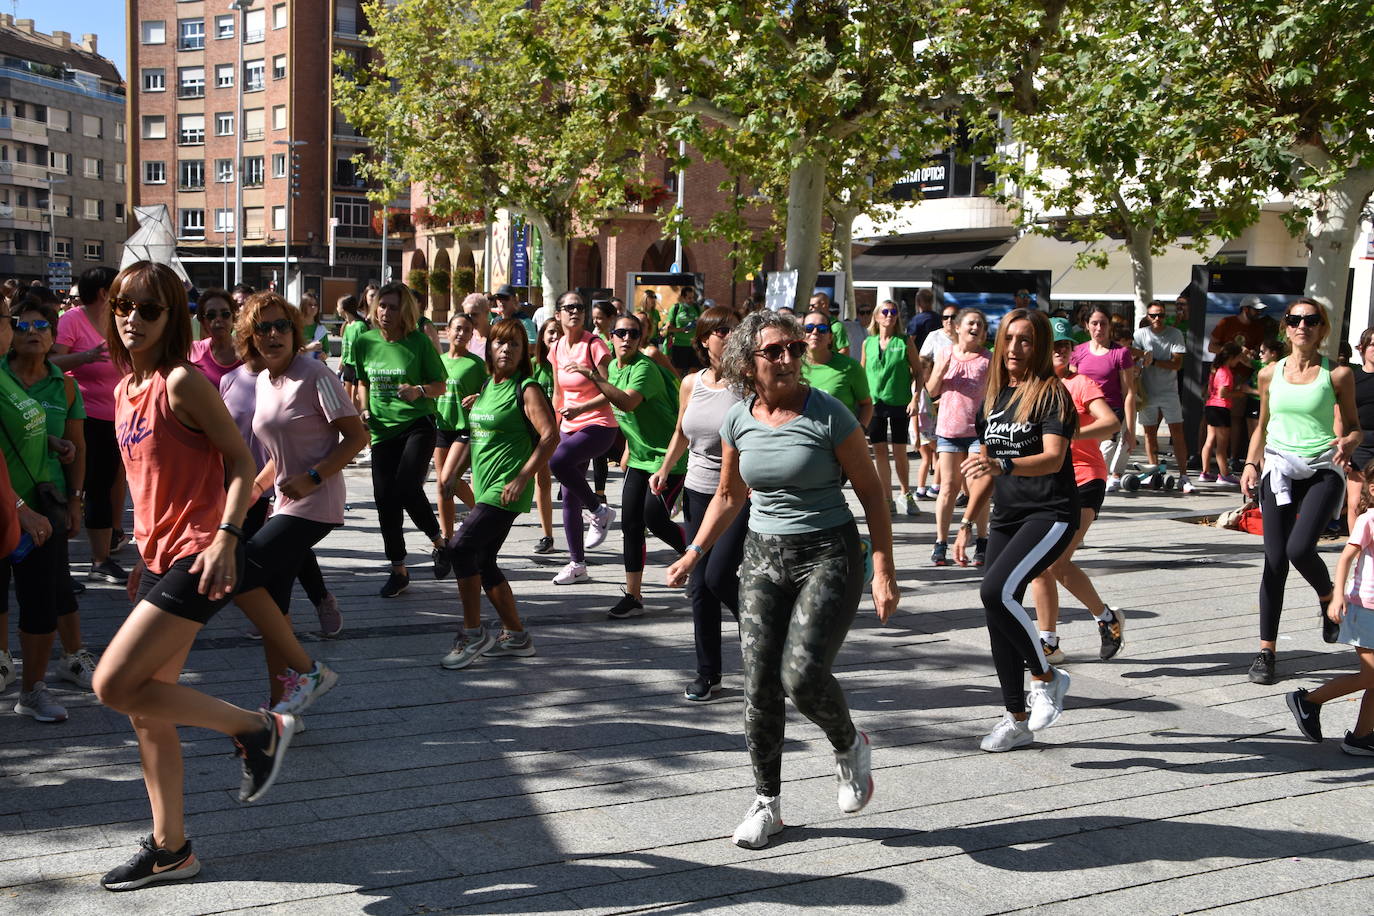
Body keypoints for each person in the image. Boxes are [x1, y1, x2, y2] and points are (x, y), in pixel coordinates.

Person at [91, 262, 304, 892]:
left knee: (112, 684)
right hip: (162, 558)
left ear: (172, 317)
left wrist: (228, 539)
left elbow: (241, 462)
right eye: (124, 306)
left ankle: (256, 727)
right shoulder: (129, 386)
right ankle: (171, 849)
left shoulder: (182, 382)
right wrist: (141, 558)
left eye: (149, 310)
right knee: (145, 710)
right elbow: (152, 485)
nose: (133, 319)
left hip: (199, 553)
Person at [665, 309, 897, 850]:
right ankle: (767, 802)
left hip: (828, 553)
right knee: (758, 685)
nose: (791, 358)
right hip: (763, 556)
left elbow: (871, 491)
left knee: (802, 675)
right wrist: (695, 552)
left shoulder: (830, 415)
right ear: (750, 362)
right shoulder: (738, 420)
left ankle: (848, 744)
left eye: (795, 347)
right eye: (776, 351)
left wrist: (883, 566)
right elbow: (729, 494)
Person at [955, 308, 1078, 753]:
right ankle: (1016, 719)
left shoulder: (1052, 395)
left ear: (1040, 346)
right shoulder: (993, 400)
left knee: (994, 593)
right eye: (1008, 338)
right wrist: (968, 522)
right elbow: (986, 469)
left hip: (1050, 513)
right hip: (1007, 515)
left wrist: (1003, 463)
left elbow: (1053, 458)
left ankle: (1046, 677)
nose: (1013, 349)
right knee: (997, 617)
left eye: (1024, 340)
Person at [239, 292, 367, 661]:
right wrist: (257, 487)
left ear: (295, 333)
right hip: (283, 502)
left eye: (281, 326)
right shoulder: (263, 380)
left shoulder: (315, 374)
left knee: (244, 569)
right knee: (276, 600)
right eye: (263, 327)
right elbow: (283, 452)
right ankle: (285, 700)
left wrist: (313, 476)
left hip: (317, 501)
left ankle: (301, 673)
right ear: (251, 336)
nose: (273, 334)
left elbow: (358, 437)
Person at [1240, 298, 1360, 685]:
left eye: (1311, 320)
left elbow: (1355, 426)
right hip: (1277, 469)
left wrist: (1349, 443)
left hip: (1323, 469)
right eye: (1294, 319)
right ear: (1285, 328)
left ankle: (1327, 594)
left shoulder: (1337, 374)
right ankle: (1266, 651)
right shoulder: (1269, 373)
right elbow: (1263, 425)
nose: (1302, 326)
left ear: (1322, 328)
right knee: (1274, 560)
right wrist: (1249, 464)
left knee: (1298, 549)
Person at [438, 319, 560, 668]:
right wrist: (451, 475)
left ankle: (473, 632)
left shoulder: (528, 387)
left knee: (461, 548)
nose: (506, 349)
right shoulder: (488, 386)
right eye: (500, 343)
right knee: (483, 560)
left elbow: (550, 436)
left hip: (505, 489)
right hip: (486, 484)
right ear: (489, 347)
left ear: (524, 353)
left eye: (515, 345)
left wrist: (523, 477)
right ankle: (517, 636)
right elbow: (470, 434)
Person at [3, 295, 97, 691]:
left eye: (41, 326)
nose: (32, 333)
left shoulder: (67, 387)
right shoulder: (2, 377)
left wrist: (76, 499)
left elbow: (78, 447)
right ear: (10, 333)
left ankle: (72, 657)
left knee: (54, 585)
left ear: (54, 336)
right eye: (22, 325)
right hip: (5, 501)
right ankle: (4, 661)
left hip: (47, 500)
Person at [654, 306, 747, 700]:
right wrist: (664, 468)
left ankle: (768, 629)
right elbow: (681, 432)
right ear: (704, 339)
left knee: (717, 576)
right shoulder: (691, 383)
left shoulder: (747, 385)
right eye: (721, 331)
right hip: (697, 491)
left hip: (739, 495)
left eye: (733, 330)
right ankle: (708, 673)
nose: (728, 336)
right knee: (699, 588)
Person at [572, 313, 688, 618]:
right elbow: (611, 397)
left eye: (633, 334)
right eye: (621, 333)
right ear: (611, 336)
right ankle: (634, 597)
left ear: (640, 338)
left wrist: (593, 377)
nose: (626, 338)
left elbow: (626, 402)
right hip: (639, 458)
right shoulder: (613, 367)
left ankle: (700, 554)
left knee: (655, 518)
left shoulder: (645, 369)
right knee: (631, 526)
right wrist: (583, 407)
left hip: (669, 458)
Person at [1028, 317, 1125, 664]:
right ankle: (1050, 642)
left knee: (1057, 560)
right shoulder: (1032, 387)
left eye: (1065, 345)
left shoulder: (1081, 384)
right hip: (1048, 482)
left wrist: (1070, 434)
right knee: (1043, 566)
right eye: (1053, 345)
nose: (1059, 350)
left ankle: (1105, 618)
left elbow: (1111, 423)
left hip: (1086, 479)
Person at [350, 282, 449, 598]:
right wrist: (364, 409)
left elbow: (441, 385)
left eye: (393, 307)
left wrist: (419, 391)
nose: (385, 312)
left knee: (407, 485)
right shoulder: (364, 342)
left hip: (417, 423)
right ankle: (399, 570)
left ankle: (439, 542)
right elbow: (363, 380)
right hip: (381, 431)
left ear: (404, 311)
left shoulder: (418, 342)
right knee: (384, 500)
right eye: (382, 305)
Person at [1288, 461, 1374, 754]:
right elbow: (1346, 558)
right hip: (1365, 608)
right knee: (1371, 676)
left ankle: (1361, 738)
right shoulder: (1368, 520)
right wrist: (1337, 596)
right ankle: (1309, 701)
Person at [53, 265, 128, 585]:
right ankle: (95, 560)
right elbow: (51, 362)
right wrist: (84, 357)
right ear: (103, 293)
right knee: (90, 487)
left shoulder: (119, 320)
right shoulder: (72, 320)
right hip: (83, 419)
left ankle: (103, 553)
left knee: (107, 485)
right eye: (120, 289)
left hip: (120, 417)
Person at [548, 291, 619, 585]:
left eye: (579, 306)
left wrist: (581, 406)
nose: (575, 311)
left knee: (558, 463)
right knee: (568, 497)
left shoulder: (595, 345)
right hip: (568, 426)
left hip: (599, 425)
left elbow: (608, 390)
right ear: (558, 315)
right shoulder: (557, 347)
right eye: (569, 307)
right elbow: (557, 393)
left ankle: (599, 510)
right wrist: (553, 430)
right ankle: (577, 564)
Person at [927, 308, 990, 567]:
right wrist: (940, 370)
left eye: (980, 324)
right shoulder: (944, 354)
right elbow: (931, 391)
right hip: (949, 431)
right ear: (959, 328)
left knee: (977, 489)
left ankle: (983, 541)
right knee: (948, 489)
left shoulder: (988, 359)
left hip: (978, 432)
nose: (975, 327)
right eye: (971, 323)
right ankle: (941, 542)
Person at [432, 313, 487, 552]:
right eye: (458, 328)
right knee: (442, 487)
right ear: (448, 330)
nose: (461, 333)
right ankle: (447, 539)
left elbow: (491, 391)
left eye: (467, 330)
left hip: (464, 429)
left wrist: (478, 396)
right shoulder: (438, 361)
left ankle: (483, 512)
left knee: (448, 479)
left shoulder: (476, 364)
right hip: (440, 427)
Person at [862, 300, 922, 516]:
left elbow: (918, 371)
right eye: (885, 312)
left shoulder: (905, 341)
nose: (890, 315)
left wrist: (916, 398)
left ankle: (906, 493)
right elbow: (862, 373)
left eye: (893, 312)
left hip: (899, 401)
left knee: (899, 451)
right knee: (879, 451)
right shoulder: (868, 343)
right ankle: (887, 497)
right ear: (877, 317)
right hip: (875, 402)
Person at [1071, 306, 1137, 491]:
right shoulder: (1077, 351)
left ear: (1109, 326)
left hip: (1110, 415)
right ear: (1086, 325)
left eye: (1103, 323)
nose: (1099, 327)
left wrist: (1131, 431)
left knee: (1101, 458)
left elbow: (1129, 392)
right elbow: (1071, 386)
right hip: (1082, 414)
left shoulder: (1121, 353)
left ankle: (1095, 492)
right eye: (1094, 323)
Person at [1134, 302, 1194, 491]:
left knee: (1177, 432)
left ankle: (1184, 476)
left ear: (1165, 316)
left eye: (1161, 315)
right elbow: (1133, 356)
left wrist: (1152, 362)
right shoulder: (1140, 334)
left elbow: (1176, 364)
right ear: (1148, 317)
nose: (1157, 319)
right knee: (1149, 433)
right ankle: (1154, 474)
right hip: (1147, 390)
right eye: (1153, 316)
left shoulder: (1174, 333)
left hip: (1169, 391)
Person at [800, 308, 873, 427]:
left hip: (839, 442)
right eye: (808, 328)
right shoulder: (792, 366)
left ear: (830, 337)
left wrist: (860, 431)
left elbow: (867, 404)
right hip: (802, 440)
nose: (815, 332)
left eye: (822, 329)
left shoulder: (850, 367)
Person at [530, 318, 561, 554]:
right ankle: (547, 535)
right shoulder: (532, 365)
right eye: (551, 332)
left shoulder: (569, 365)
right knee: (542, 482)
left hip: (567, 430)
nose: (555, 336)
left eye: (559, 333)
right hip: (538, 433)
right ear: (542, 336)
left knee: (569, 483)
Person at [1200, 343, 1249, 484]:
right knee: (1222, 445)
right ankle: (1224, 474)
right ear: (1232, 357)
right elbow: (1223, 393)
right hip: (1221, 409)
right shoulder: (1225, 372)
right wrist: (1240, 392)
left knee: (1209, 441)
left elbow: (1212, 390)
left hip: (1211, 406)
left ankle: (1205, 472)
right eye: (1239, 358)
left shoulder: (1215, 369)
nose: (1239, 361)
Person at [1344, 329, 1374, 535]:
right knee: (1356, 502)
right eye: (1372, 344)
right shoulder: (1352, 380)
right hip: (1360, 445)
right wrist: (1343, 448)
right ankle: (1356, 548)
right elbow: (1340, 417)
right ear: (1362, 349)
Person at [188, 289, 243, 387]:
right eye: (211, 315)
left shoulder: (249, 351)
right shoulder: (193, 351)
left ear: (233, 317)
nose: (218, 319)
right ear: (203, 321)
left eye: (225, 314)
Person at [664, 285, 703, 371]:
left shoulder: (697, 308)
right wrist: (682, 329)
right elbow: (668, 328)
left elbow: (703, 324)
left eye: (693, 298)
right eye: (689, 298)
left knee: (694, 370)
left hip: (693, 346)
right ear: (682, 297)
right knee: (678, 371)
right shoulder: (676, 308)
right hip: (679, 345)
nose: (691, 300)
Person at [906, 288, 940, 352]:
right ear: (932, 301)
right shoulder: (939, 318)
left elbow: (910, 340)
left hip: (919, 355)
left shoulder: (916, 320)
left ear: (918, 302)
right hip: (936, 354)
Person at [459, 292, 492, 359]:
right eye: (467, 315)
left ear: (486, 312)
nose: (471, 319)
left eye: (474, 314)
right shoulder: (467, 337)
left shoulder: (497, 335)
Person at [298, 292, 329, 361]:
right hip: (298, 368)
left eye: (315, 305)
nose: (313, 307)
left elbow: (327, 352)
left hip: (315, 368)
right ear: (303, 306)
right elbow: (289, 352)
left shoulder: (321, 329)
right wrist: (308, 348)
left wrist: (324, 356)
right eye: (310, 305)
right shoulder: (295, 327)